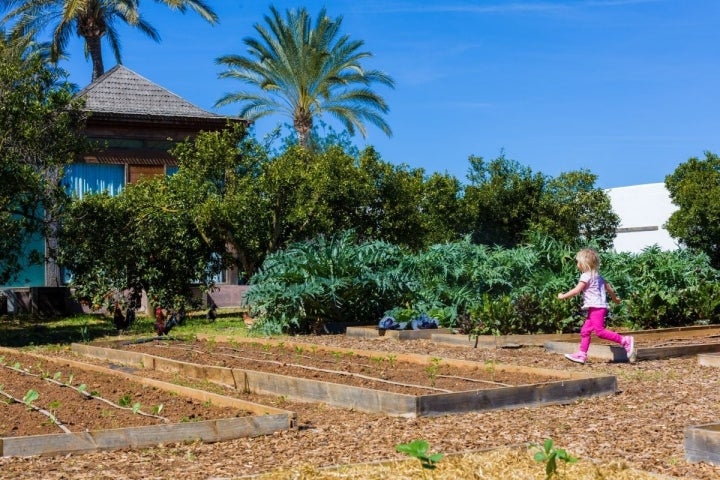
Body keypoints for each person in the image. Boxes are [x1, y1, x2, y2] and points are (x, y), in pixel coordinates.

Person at [557, 248, 635, 364]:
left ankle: (625, 340)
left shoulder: (585, 276)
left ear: (585, 263)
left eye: (578, 262)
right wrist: (615, 299)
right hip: (598, 307)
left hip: (596, 308)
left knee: (600, 331)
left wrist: (563, 296)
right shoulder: (598, 276)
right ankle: (581, 354)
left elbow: (577, 290)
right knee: (585, 331)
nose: (577, 265)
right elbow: (608, 287)